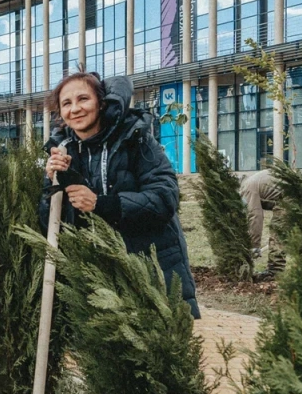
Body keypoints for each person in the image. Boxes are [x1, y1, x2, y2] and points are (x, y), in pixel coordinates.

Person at [41, 71, 200, 319]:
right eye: (66, 103)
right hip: (97, 280)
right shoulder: (62, 152)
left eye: (83, 99)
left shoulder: (136, 139)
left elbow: (165, 198)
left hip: (151, 271)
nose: (75, 109)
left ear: (101, 103)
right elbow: (51, 225)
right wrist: (55, 182)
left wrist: (102, 204)